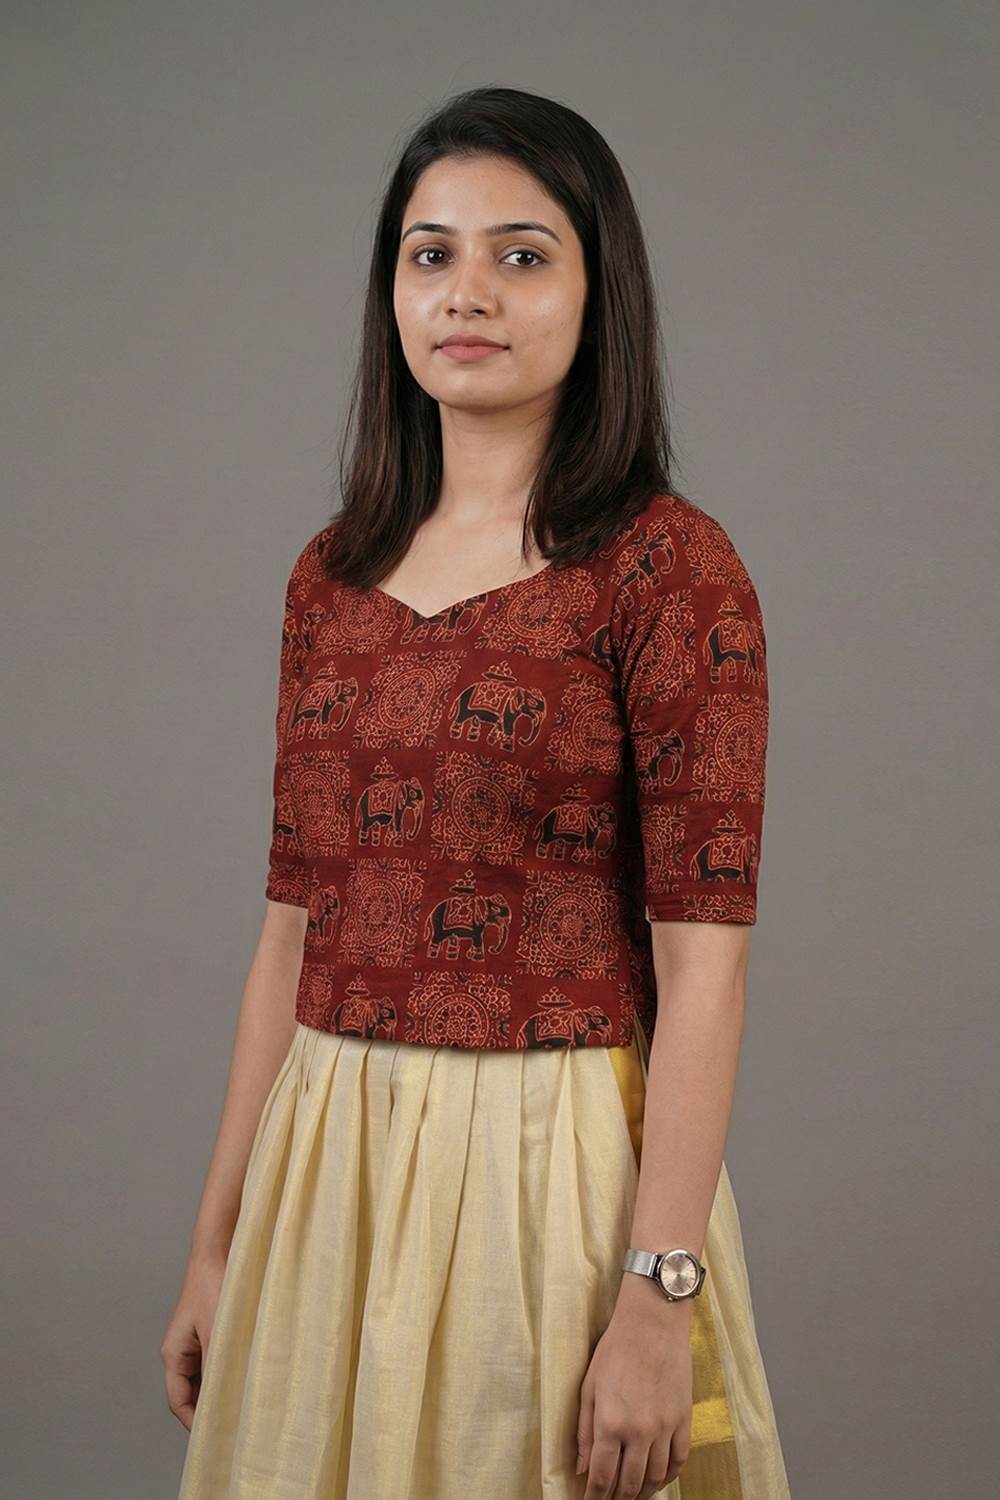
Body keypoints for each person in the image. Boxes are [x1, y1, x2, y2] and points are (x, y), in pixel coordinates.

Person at [163, 85, 791, 1500]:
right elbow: (290, 934)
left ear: (598, 290)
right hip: (329, 1169)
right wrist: (215, 1246)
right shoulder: (330, 576)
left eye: (522, 254)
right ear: (390, 289)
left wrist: (659, 1298)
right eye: (430, 253)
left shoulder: (670, 571)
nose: (468, 293)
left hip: (549, 1172)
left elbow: (705, 970)